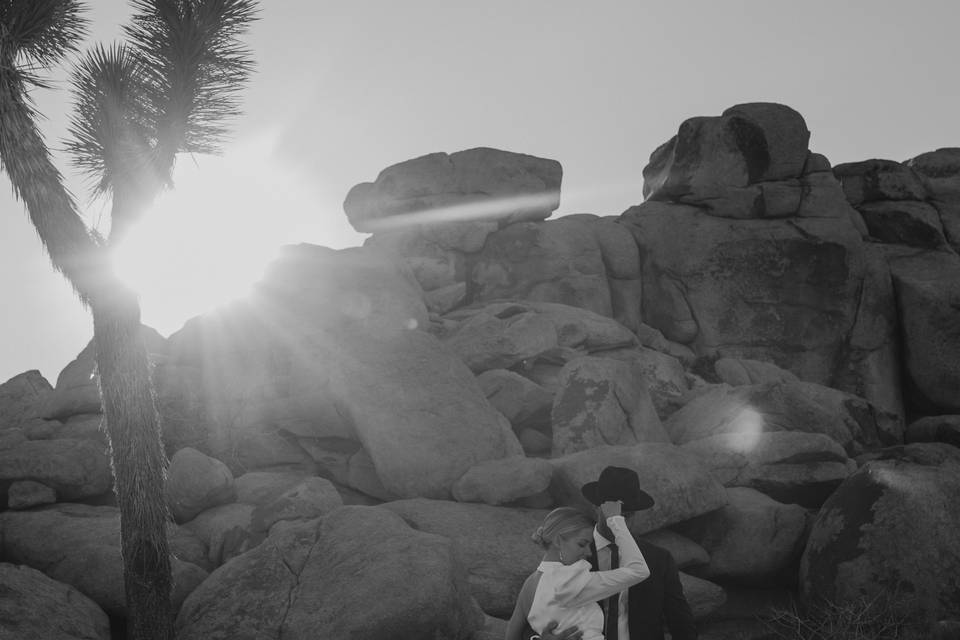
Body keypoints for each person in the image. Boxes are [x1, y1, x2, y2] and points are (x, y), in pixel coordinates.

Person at [520, 466, 699, 640]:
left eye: (627, 516)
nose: (620, 522)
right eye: (615, 515)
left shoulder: (658, 559)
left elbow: (681, 621)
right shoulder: (571, 554)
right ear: (597, 508)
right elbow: (533, 614)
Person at [505, 502, 651, 640]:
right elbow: (639, 570)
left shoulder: (529, 584)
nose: (588, 552)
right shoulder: (571, 578)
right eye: (582, 544)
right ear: (558, 541)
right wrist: (615, 520)